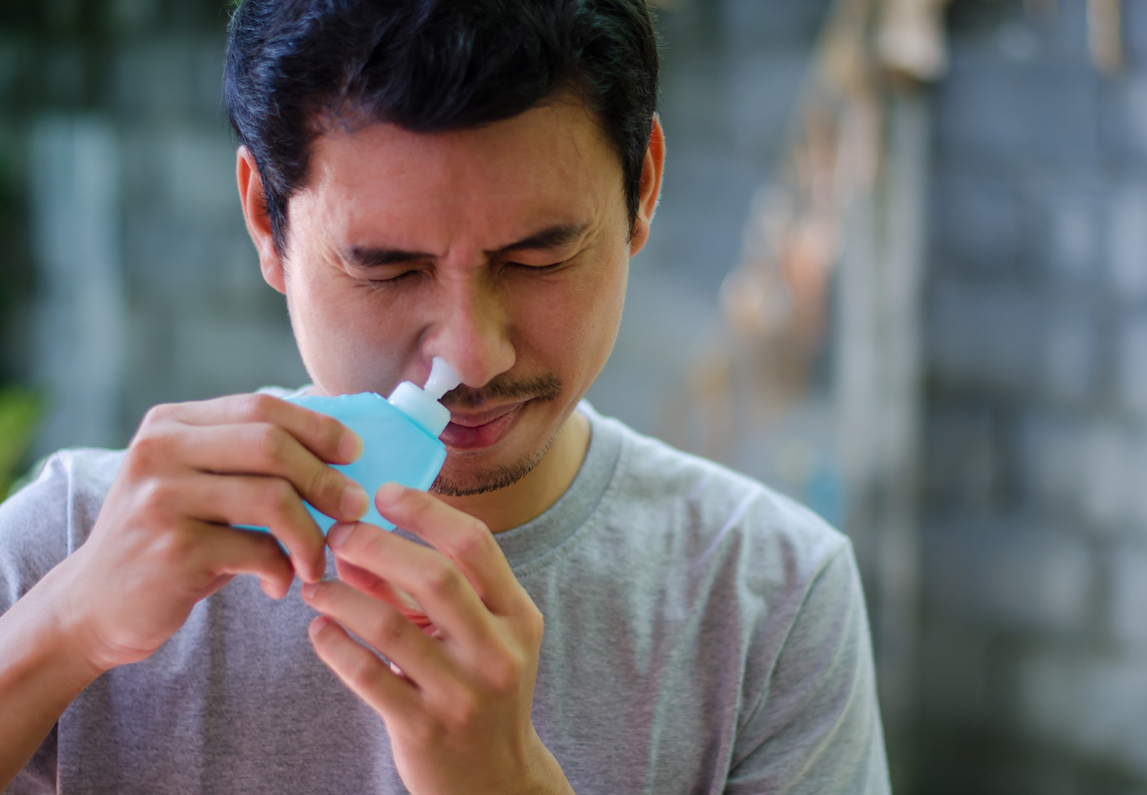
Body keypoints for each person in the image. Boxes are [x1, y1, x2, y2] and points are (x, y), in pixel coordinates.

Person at [0, 1, 890, 793]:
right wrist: (61, 633)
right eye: (388, 267)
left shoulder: (768, 601)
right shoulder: (71, 540)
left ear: (643, 186)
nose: (468, 352)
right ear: (267, 223)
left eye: (537, 257)